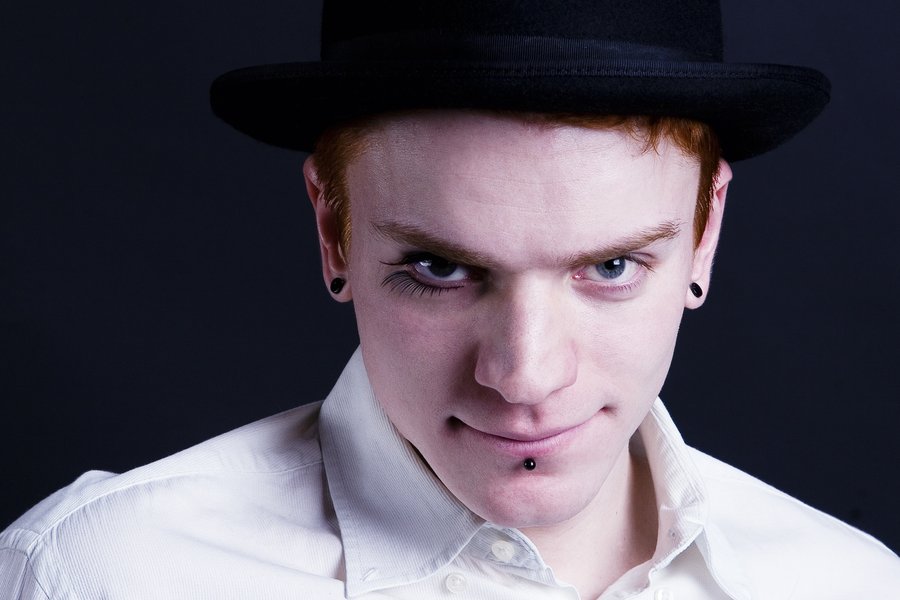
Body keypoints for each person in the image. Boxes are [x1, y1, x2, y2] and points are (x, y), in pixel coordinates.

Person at [1, 1, 898, 598]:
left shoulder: (850, 586)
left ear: (705, 233)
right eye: (439, 268)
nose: (524, 376)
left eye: (612, 268)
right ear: (333, 229)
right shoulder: (99, 575)